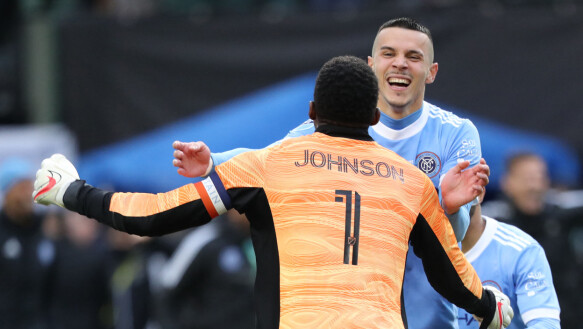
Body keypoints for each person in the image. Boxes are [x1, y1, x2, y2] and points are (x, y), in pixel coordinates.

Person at [32, 55, 511, 329]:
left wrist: (71, 192)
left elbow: (154, 216)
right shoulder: (411, 183)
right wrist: (492, 308)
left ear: (310, 110)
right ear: (373, 118)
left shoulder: (266, 164)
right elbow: (452, 276)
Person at [172, 17, 486, 328]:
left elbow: (454, 243)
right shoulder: (331, 125)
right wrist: (214, 161)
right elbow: (268, 159)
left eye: (413, 57)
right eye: (389, 53)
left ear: (431, 72)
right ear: (370, 64)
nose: (400, 64)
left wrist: (451, 206)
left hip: (430, 320)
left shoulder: (456, 134)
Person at [481, 152, 582, 327]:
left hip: (571, 318)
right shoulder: (493, 221)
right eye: (526, 179)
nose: (534, 186)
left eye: (539, 178)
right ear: (507, 183)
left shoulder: (561, 212)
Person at [458, 188, 561, 328]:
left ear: (479, 191)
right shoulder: (419, 255)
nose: (446, 197)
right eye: (438, 190)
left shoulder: (522, 251)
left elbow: (546, 324)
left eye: (458, 185)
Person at [0, 157, 56, 329]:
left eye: (30, 187)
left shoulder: (45, 232)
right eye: (21, 187)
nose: (27, 194)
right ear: (7, 192)